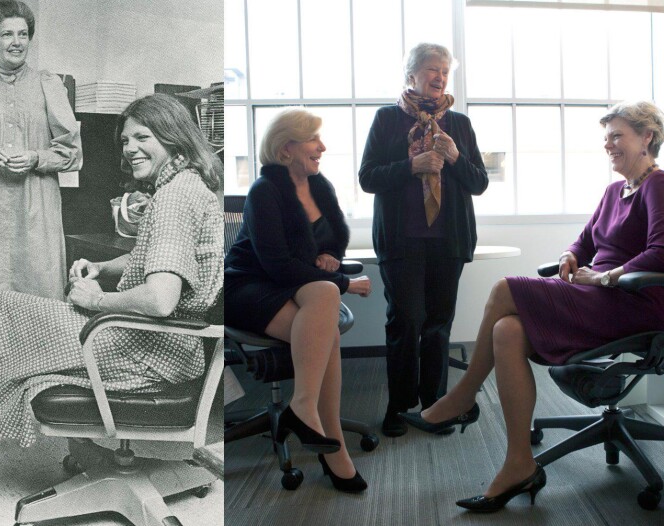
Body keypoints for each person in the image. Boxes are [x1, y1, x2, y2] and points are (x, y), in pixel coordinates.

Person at [0, 94, 222, 525]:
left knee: (3, 318)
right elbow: (154, 258)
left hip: (145, 349)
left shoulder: (174, 198)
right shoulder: (186, 186)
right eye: (125, 140)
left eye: (142, 137)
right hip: (163, 345)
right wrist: (102, 266)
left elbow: (161, 297)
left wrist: (97, 299)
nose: (129, 148)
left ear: (173, 139)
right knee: (5, 321)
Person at [401, 100, 664, 512]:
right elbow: (585, 242)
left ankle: (463, 397)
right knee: (508, 331)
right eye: (606, 137)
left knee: (506, 287)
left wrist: (605, 276)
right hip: (599, 296)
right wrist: (569, 256)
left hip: (632, 302)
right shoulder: (616, 190)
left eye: (618, 136)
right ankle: (519, 463)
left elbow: (661, 252)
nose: (609, 144)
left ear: (647, 137)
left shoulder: (658, 185)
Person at [224, 108, 372, 493]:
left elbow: (329, 241)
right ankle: (328, 440)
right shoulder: (264, 191)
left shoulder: (320, 186)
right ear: (286, 147)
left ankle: (308, 415)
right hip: (249, 286)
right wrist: (342, 281)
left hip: (292, 282)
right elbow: (276, 264)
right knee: (327, 321)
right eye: (313, 140)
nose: (322, 147)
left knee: (323, 308)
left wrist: (330, 260)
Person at [358, 43, 488, 437]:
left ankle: (435, 406)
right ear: (411, 75)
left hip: (448, 241)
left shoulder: (460, 125)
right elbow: (368, 178)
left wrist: (453, 158)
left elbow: (479, 182)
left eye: (445, 71)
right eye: (432, 69)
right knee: (406, 321)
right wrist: (411, 165)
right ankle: (399, 406)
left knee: (438, 325)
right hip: (402, 242)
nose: (440, 77)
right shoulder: (386, 119)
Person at [0, 0, 82, 323]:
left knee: (38, 289)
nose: (16, 42)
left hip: (36, 205)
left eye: (23, 34)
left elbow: (72, 152)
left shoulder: (49, 85)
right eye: (7, 34)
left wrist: (37, 157)